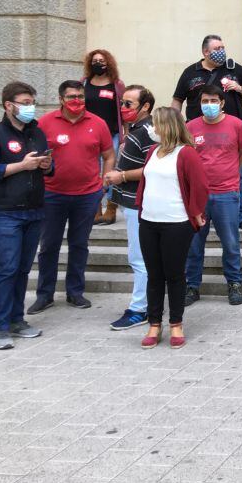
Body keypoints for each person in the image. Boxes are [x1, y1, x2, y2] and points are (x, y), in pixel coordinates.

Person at [0, 82, 53, 349]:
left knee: (22, 269)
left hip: (34, 211)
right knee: (7, 269)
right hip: (5, 213)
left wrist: (46, 165)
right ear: (9, 105)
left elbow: (45, 170)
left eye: (32, 101)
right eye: (25, 101)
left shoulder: (37, 133)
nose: (30, 106)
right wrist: (22, 165)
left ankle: (17, 320)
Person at [29, 80, 114, 314]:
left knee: (79, 245)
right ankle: (44, 295)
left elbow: (108, 155)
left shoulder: (98, 123)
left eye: (80, 97)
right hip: (52, 194)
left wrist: (103, 182)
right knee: (48, 246)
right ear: (60, 99)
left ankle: (75, 292)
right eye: (71, 97)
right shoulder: (44, 123)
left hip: (87, 196)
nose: (76, 101)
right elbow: (34, 156)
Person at [136, 108, 209, 350]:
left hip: (176, 222)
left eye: (154, 124)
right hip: (149, 220)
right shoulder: (152, 152)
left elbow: (200, 186)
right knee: (154, 275)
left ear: (166, 126)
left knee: (174, 274)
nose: (151, 129)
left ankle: (176, 323)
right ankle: (154, 323)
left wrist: (197, 212)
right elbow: (145, 183)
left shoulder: (186, 153)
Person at [172, 34, 242, 231]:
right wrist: (175, 125)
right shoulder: (190, 73)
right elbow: (177, 100)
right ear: (205, 52)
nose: (221, 51)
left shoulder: (233, 68)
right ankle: (199, 210)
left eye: (222, 47)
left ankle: (238, 214)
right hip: (197, 132)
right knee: (196, 173)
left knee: (237, 173)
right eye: (217, 48)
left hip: (230, 133)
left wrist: (240, 88)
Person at [184, 85, 242, 307]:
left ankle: (234, 284)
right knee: (194, 243)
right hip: (198, 196)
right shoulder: (191, 127)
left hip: (227, 193)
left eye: (214, 101)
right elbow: (186, 157)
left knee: (230, 242)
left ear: (222, 103)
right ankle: (191, 286)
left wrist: (229, 172)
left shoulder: (236, 125)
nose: (209, 105)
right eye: (205, 101)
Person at [103, 85, 157, 330]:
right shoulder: (136, 129)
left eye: (128, 104)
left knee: (139, 258)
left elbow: (153, 168)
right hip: (131, 202)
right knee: (140, 257)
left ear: (145, 107)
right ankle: (147, 304)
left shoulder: (149, 131)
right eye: (122, 103)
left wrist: (121, 176)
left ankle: (139, 309)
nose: (123, 108)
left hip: (139, 203)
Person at [83, 49, 125, 226]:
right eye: (95, 60)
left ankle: (111, 208)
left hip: (112, 134)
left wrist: (126, 134)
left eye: (101, 60)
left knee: (110, 170)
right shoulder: (84, 83)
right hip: (89, 135)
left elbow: (124, 111)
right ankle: (95, 208)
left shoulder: (117, 85)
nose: (98, 63)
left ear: (108, 63)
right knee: (92, 169)